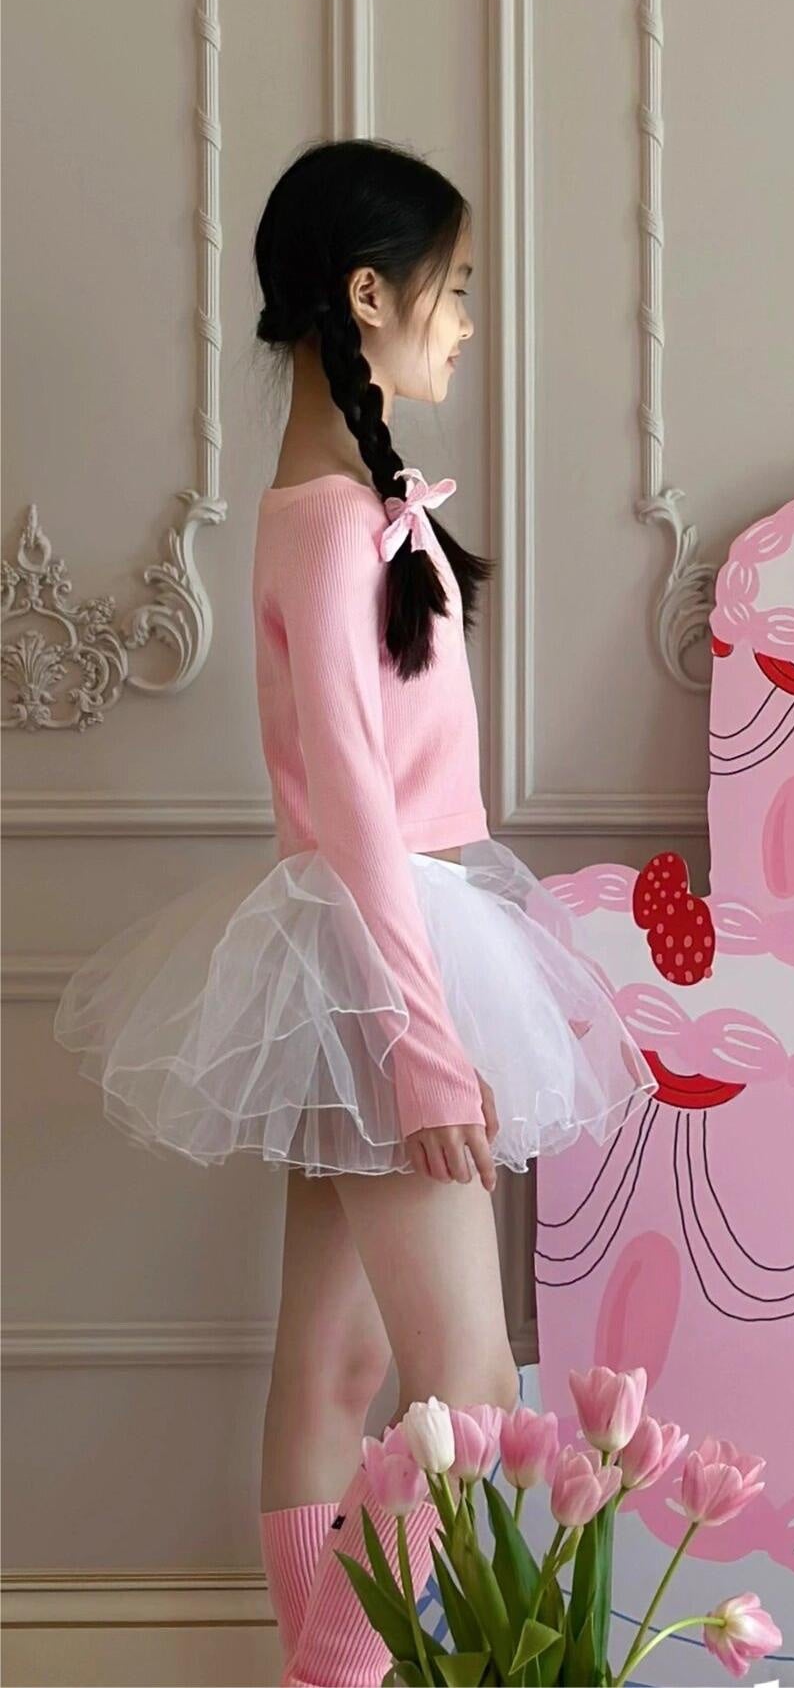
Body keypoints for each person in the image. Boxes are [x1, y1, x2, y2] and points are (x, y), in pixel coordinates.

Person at [55, 138, 652, 1685]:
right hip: (393, 957)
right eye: (450, 294)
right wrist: (427, 1045)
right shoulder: (326, 524)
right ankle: (350, 1666)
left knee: (339, 1363)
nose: (462, 325)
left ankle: (320, 1671)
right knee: (474, 1376)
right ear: (369, 293)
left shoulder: (342, 510)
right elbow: (359, 803)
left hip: (366, 948)